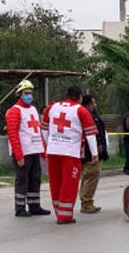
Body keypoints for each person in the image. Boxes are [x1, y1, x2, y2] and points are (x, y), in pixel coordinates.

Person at [41, 85, 98, 224]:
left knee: (55, 182)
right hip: (70, 152)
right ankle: (65, 216)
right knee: (69, 183)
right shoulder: (80, 110)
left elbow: (44, 129)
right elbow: (90, 134)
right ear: (79, 97)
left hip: (53, 151)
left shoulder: (52, 107)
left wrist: (49, 144)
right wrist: (95, 154)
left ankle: (58, 211)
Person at [5, 80, 50, 217]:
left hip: (35, 150)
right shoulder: (14, 111)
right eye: (26, 93)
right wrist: (19, 156)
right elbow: (13, 134)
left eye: (30, 93)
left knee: (35, 179)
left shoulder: (33, 109)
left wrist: (43, 151)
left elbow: (37, 131)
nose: (29, 96)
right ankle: (20, 208)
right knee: (22, 180)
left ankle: (34, 206)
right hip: (23, 152)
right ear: (19, 95)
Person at [79, 94, 109, 214]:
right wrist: (98, 147)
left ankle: (85, 200)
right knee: (92, 175)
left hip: (87, 151)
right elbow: (94, 133)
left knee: (87, 176)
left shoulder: (90, 115)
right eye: (93, 103)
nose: (95, 105)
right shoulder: (89, 116)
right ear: (88, 104)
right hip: (91, 151)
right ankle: (87, 202)